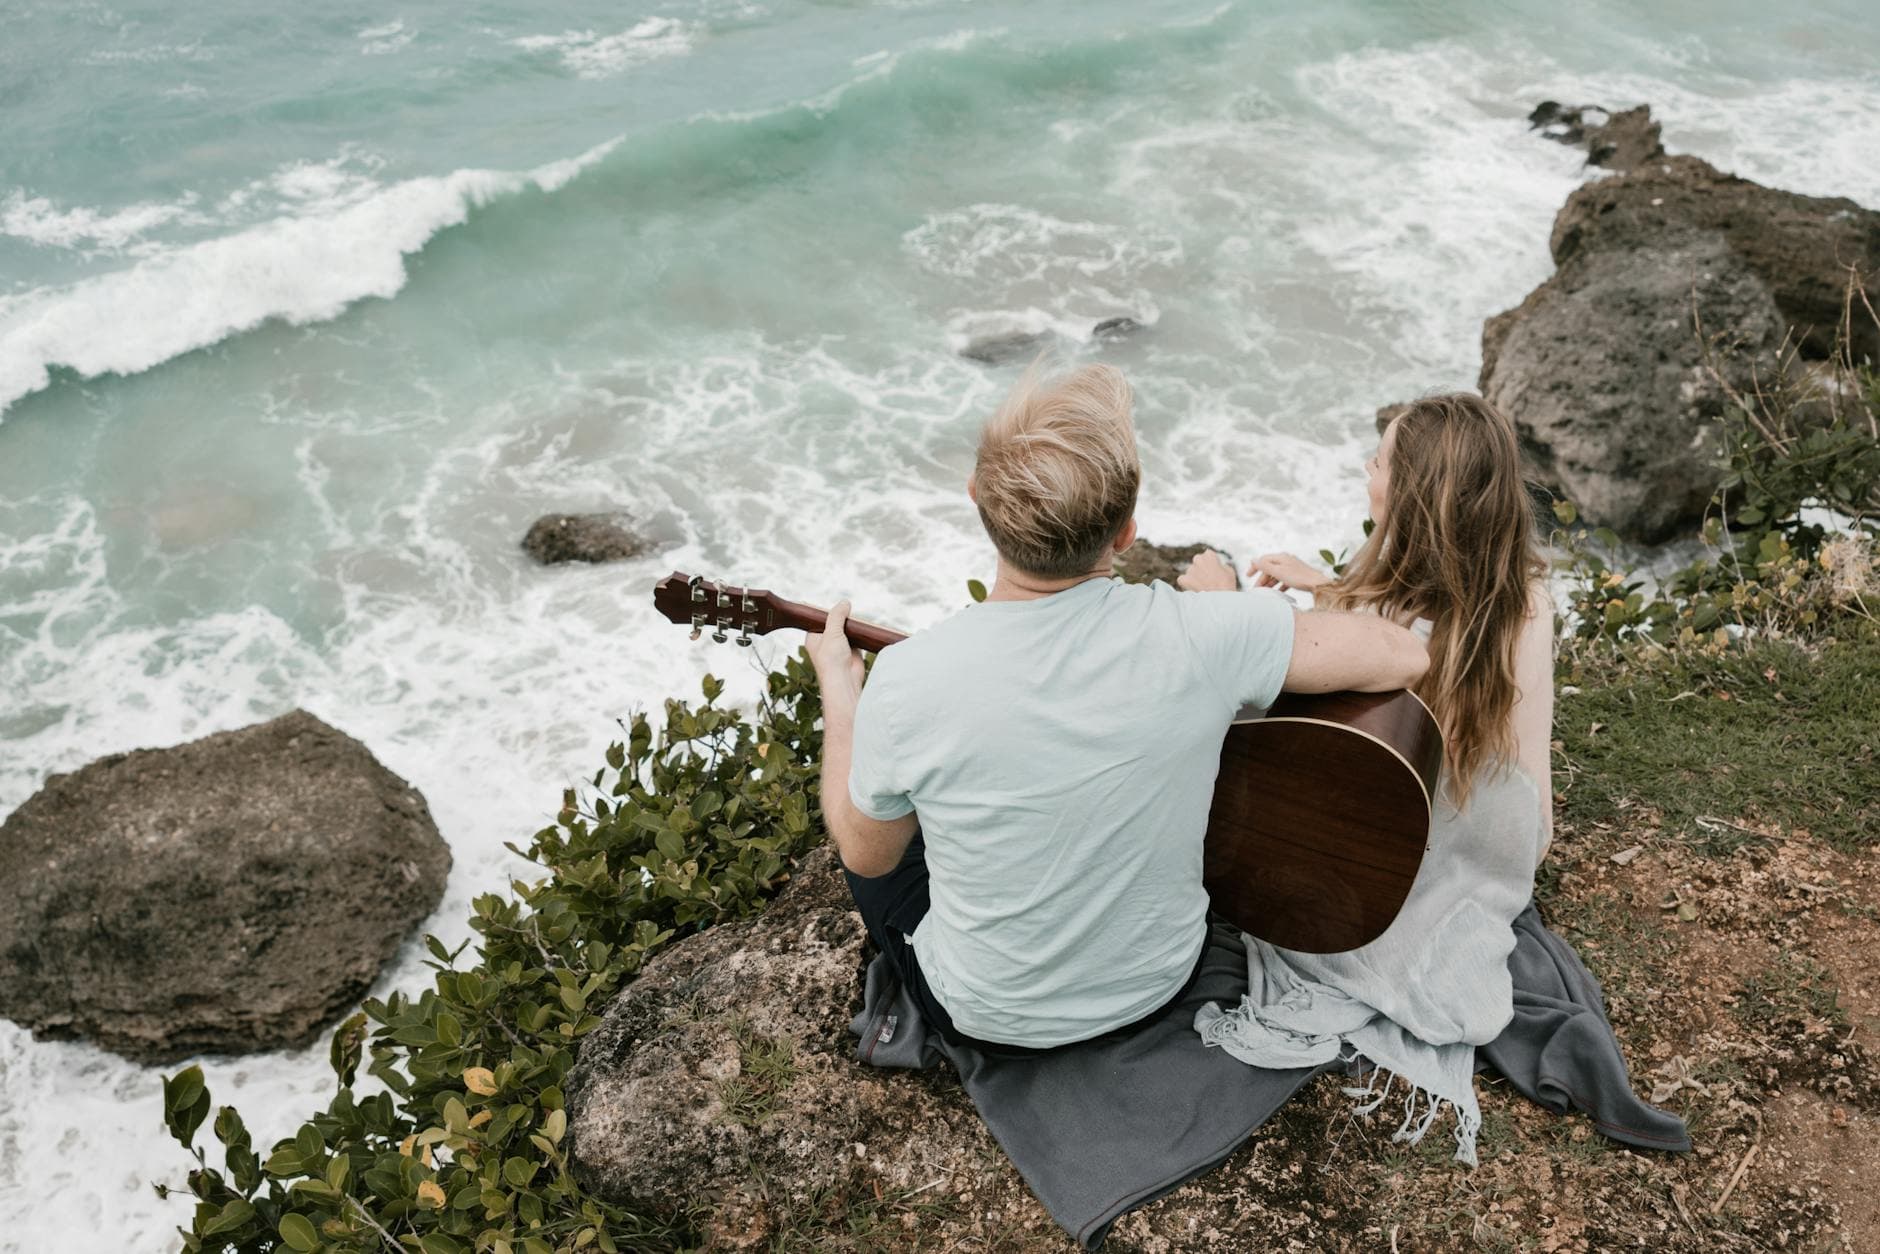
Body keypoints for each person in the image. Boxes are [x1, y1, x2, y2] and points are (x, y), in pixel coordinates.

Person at [804, 362, 1428, 1054]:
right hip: (1159, 986)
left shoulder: (909, 678)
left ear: (977, 500)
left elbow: (866, 854)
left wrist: (842, 693)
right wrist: (1236, 613)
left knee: (888, 830)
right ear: (1127, 532)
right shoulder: (1206, 633)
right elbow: (1402, 655)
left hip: (991, 1021)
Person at [1174, 392, 1555, 1163]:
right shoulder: (1527, 603)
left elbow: (1276, 694)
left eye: (1379, 462)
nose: (1366, 469)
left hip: (1394, 860)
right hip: (1508, 846)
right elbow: (1401, 619)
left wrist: (1223, 609)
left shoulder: (1388, 624)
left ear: (1410, 499)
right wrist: (1325, 585)